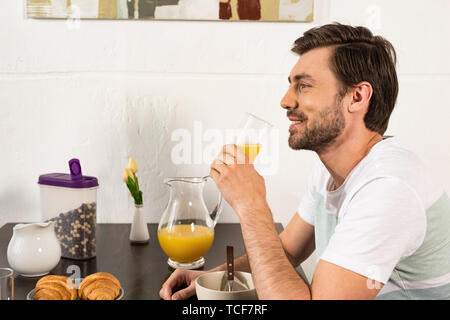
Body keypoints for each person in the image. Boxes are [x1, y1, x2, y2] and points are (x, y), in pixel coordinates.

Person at [160, 23, 450, 300]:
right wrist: (213, 277)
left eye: (304, 86)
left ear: (357, 96)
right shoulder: (330, 172)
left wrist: (251, 205)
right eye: (290, 85)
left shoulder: (389, 188)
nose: (285, 101)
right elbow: (286, 250)